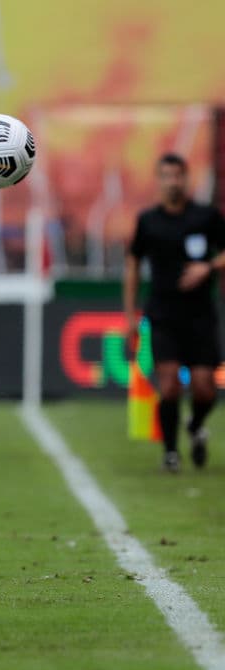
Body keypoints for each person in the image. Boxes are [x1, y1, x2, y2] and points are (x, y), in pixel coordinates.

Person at [124, 152, 225, 472]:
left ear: (186, 178)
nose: (173, 182)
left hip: (199, 314)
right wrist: (129, 316)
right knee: (168, 386)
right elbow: (133, 265)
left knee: (205, 388)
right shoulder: (148, 221)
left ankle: (195, 425)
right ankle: (170, 452)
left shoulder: (205, 217)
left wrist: (207, 268)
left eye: (178, 175)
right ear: (159, 180)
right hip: (163, 312)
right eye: (166, 176)